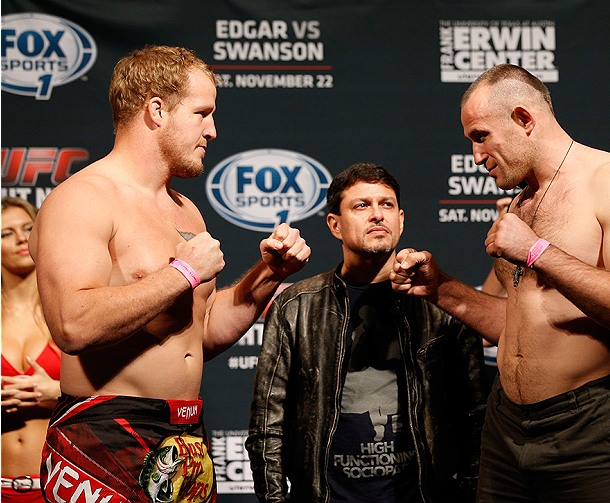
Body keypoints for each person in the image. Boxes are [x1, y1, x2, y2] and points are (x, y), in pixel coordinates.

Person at [28, 46, 311, 503]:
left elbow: (202, 333)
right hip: (105, 434)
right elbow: (72, 324)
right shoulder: (82, 199)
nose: (212, 130)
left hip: (184, 437)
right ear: (156, 110)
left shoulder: (186, 211)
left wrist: (267, 274)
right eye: (202, 113)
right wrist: (182, 271)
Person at [391, 64, 610, 502]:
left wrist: (537, 251)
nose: (476, 157)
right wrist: (440, 287)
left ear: (524, 119)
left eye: (480, 136)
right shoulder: (522, 203)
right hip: (505, 426)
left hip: (589, 429)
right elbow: (521, 325)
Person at [246, 163, 488, 503]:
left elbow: (477, 414)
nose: (377, 215)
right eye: (362, 205)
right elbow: (267, 424)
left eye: (386, 205)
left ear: (401, 220)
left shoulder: (441, 302)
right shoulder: (296, 306)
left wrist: (469, 494)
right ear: (335, 225)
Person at [1, 197, 61, 502]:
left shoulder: (66, 311)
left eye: (28, 228)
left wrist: (57, 394)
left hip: (56, 489)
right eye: (6, 233)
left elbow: (109, 394)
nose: (21, 238)